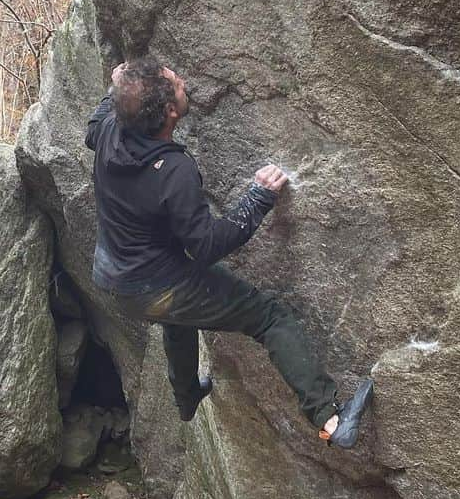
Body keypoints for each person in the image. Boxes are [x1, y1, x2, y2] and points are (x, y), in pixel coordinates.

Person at [84, 56, 373, 448]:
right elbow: (205, 246)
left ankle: (186, 397)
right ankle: (330, 418)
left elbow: (94, 124)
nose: (183, 81)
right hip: (156, 286)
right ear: (170, 112)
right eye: (177, 85)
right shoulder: (173, 171)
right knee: (271, 317)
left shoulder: (107, 131)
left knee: (177, 316)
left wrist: (116, 89)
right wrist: (258, 199)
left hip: (114, 277)